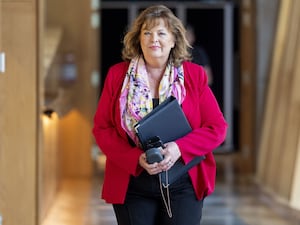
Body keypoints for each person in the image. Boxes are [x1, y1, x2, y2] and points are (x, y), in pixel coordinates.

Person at [92, 5, 227, 225]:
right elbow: (102, 129)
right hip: (133, 182)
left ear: (174, 40)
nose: (154, 39)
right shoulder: (117, 75)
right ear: (139, 39)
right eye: (147, 33)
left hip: (183, 182)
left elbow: (217, 128)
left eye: (161, 33)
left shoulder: (194, 75)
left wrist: (179, 149)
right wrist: (134, 158)